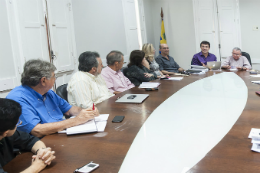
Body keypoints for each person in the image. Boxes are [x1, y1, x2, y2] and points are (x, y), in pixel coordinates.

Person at [7, 59, 98, 138]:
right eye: (54, 76)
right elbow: (37, 130)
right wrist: (77, 120)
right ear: (43, 81)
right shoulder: (18, 99)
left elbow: (69, 110)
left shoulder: (48, 92)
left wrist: (87, 111)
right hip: (41, 142)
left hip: (59, 133)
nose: (55, 79)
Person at [0, 98, 56, 173]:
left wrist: (42, 152)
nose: (20, 123)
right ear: (6, 132)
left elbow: (31, 140)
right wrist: (36, 167)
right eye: (18, 122)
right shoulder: (5, 131)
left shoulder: (5, 131)